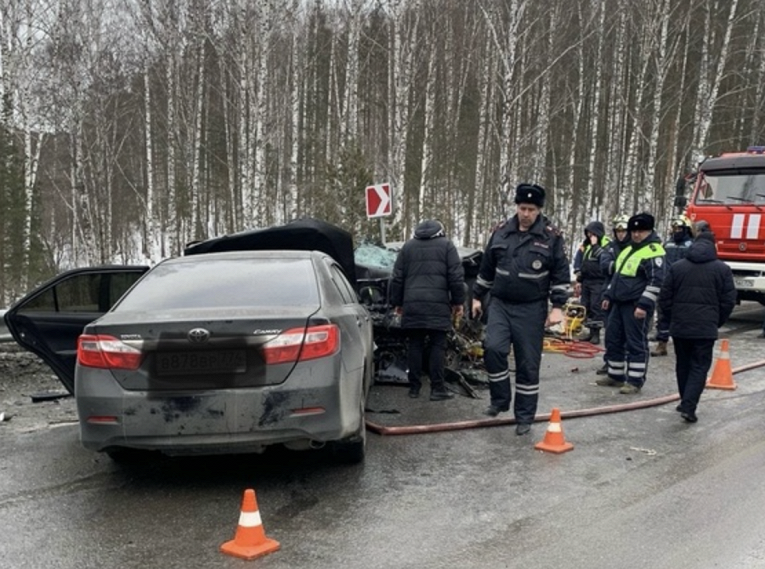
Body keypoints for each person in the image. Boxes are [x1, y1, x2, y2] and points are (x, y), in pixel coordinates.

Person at [470, 183, 570, 435]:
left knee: (527, 363)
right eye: (522, 208)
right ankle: (500, 400)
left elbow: (560, 275)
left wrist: (557, 307)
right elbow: (487, 268)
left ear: (538, 210)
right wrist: (477, 296)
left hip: (531, 308)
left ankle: (524, 416)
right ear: (516, 207)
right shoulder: (501, 232)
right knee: (492, 349)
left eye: (531, 209)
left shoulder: (551, 237)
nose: (526, 213)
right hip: (501, 304)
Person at [658, 230, 736, 422]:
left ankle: (685, 400)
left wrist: (673, 317)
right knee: (699, 366)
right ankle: (689, 405)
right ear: (713, 246)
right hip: (705, 328)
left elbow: (665, 297)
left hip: (680, 327)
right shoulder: (723, 270)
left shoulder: (677, 267)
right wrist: (716, 321)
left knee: (683, 364)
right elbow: (728, 301)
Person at [390, 220, 465, 401]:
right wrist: (458, 302)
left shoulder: (407, 248)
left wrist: (397, 303)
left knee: (414, 344)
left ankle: (414, 388)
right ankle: (437, 389)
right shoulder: (447, 246)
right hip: (437, 305)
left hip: (412, 304)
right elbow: (456, 277)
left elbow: (397, 277)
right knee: (437, 345)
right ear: (441, 232)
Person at [597, 212, 665, 394]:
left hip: (636, 305)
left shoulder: (653, 252)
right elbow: (617, 277)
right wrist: (608, 296)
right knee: (613, 338)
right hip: (618, 303)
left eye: (640, 231)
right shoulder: (628, 250)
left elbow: (655, 282)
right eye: (633, 231)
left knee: (635, 343)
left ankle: (635, 380)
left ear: (649, 231)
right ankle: (616, 375)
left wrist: (643, 305)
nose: (636, 235)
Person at [651, 214, 694, 356]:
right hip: (667, 284)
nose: (676, 231)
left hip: (684, 286)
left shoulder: (691, 246)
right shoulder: (667, 244)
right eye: (674, 228)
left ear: (686, 229)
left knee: (682, 316)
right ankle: (662, 343)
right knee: (663, 314)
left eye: (679, 228)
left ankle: (684, 344)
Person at [594, 213, 631, 375]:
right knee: (611, 333)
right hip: (609, 293)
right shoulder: (610, 247)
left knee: (629, 334)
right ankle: (609, 362)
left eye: (624, 231)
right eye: (618, 231)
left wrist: (618, 266)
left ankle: (627, 363)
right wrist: (624, 266)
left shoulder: (635, 248)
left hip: (629, 296)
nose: (621, 234)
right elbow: (604, 266)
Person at [573, 221, 610, 344]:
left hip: (599, 281)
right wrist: (579, 279)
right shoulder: (586, 245)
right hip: (587, 280)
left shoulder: (606, 244)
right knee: (586, 306)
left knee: (596, 307)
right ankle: (590, 331)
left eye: (592, 233)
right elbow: (581, 262)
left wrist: (595, 246)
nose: (590, 235)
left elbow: (603, 258)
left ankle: (596, 333)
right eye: (588, 233)